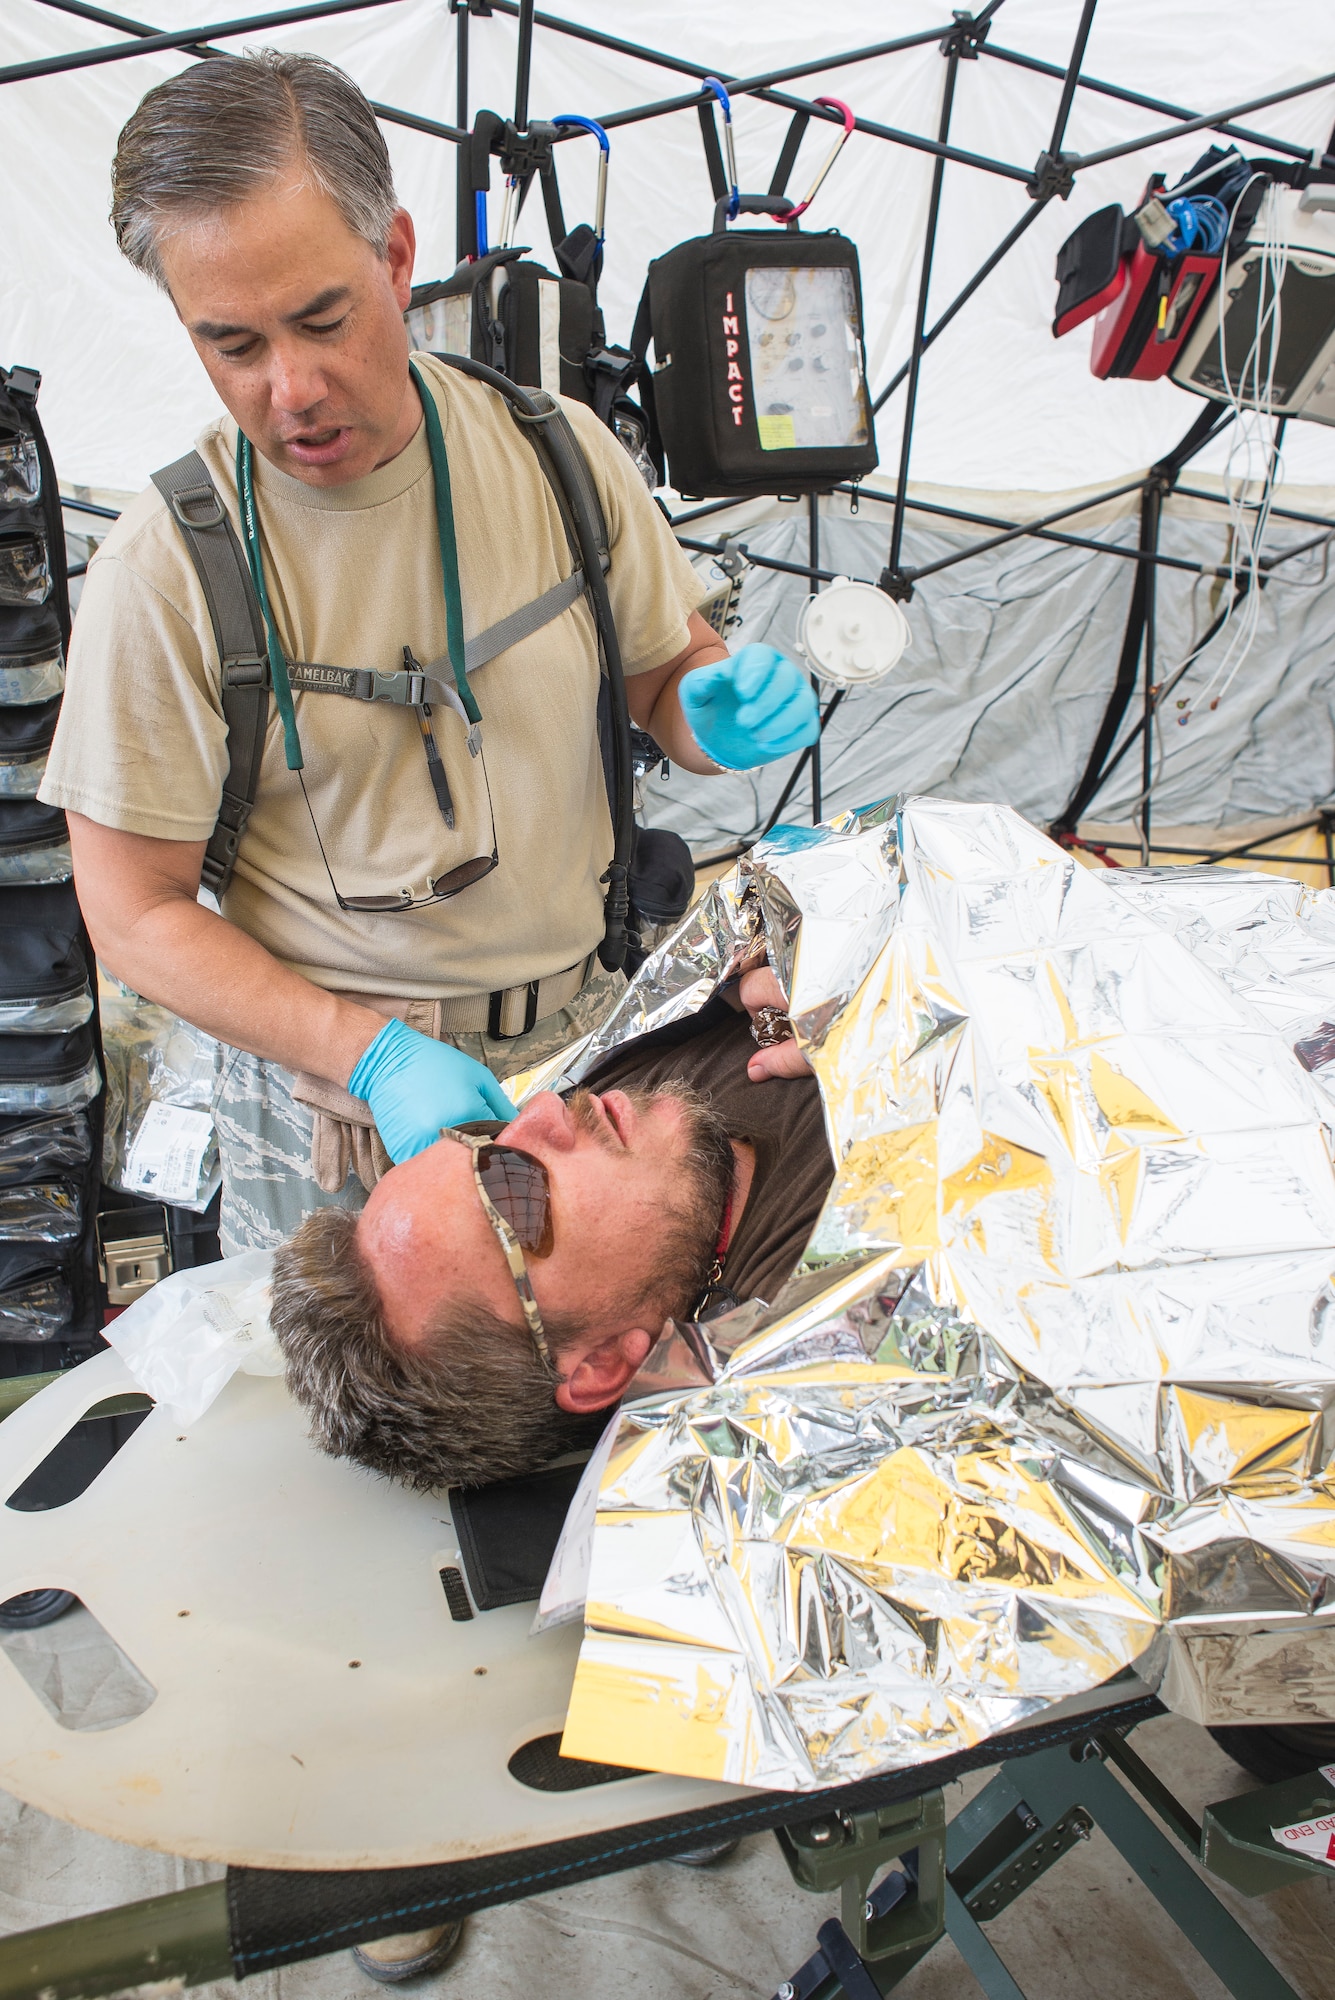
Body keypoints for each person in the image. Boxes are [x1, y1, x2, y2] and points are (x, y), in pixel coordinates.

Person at [39, 50, 820, 1253]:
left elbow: (666, 670)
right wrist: (371, 1049)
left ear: (396, 256)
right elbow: (133, 910)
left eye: (321, 319)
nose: (291, 388)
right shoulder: (167, 567)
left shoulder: (559, 454)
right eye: (232, 345)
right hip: (347, 1109)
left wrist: (707, 703)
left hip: (591, 1046)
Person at [271, 967, 833, 1490]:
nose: (543, 1110)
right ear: (601, 1365)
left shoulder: (628, 1121)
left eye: (484, 1137)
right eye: (514, 1190)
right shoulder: (825, 1302)